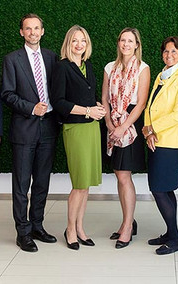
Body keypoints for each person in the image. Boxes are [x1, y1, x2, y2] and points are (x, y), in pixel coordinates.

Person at [1, 13, 59, 253]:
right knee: (21, 184)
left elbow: (58, 89)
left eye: (37, 28)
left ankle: (37, 226)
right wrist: (31, 108)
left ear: (42, 31)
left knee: (42, 183)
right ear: (21, 32)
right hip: (24, 129)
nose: (33, 32)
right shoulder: (12, 59)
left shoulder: (51, 57)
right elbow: (7, 94)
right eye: (28, 29)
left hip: (48, 128)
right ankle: (22, 232)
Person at [50, 25, 106, 250]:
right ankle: (70, 229)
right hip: (75, 130)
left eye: (83, 40)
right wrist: (87, 111)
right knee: (79, 183)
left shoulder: (88, 65)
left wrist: (97, 107)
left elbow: (89, 95)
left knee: (86, 185)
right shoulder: (62, 67)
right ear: (68, 43)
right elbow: (59, 102)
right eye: (75, 40)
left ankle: (80, 227)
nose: (79, 44)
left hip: (92, 128)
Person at [143, 36, 178, 255]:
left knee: (158, 188)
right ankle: (170, 232)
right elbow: (149, 106)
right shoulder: (161, 75)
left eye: (174, 52)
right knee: (164, 188)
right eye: (166, 51)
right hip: (155, 139)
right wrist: (147, 130)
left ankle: (176, 238)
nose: (169, 55)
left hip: (170, 142)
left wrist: (152, 129)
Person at [101, 27, 150, 249]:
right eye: (123, 40)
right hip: (113, 123)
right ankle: (127, 221)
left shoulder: (143, 68)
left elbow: (141, 103)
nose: (126, 44)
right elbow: (104, 99)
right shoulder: (109, 67)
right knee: (119, 175)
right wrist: (111, 124)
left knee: (123, 175)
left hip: (131, 124)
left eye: (130, 41)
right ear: (118, 43)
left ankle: (128, 226)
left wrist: (123, 127)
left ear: (137, 45)